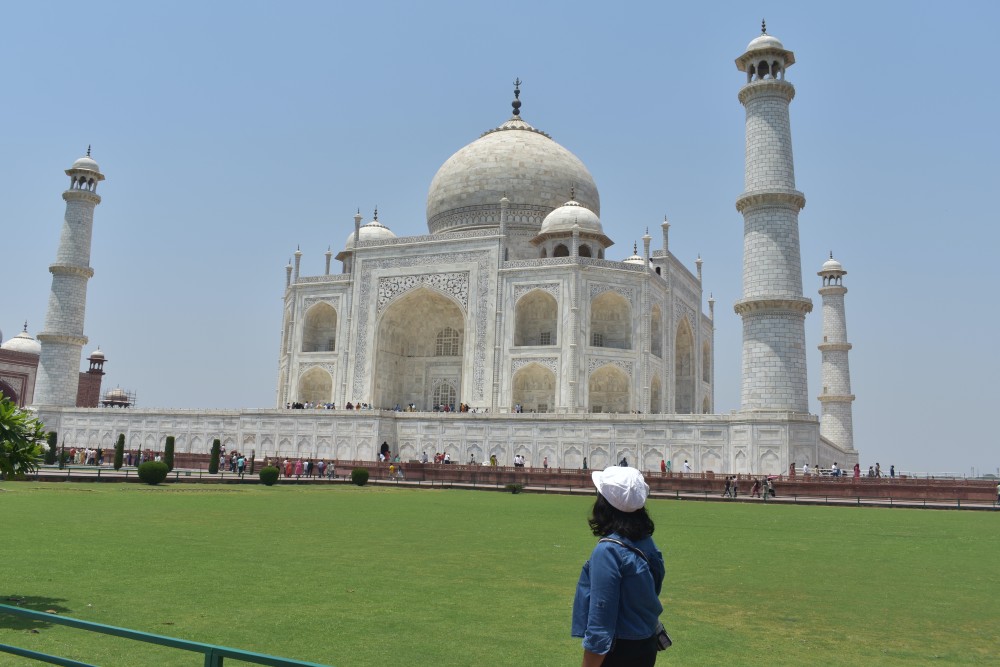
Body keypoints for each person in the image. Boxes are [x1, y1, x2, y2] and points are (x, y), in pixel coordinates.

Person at [572, 466, 664, 667]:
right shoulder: (645, 541)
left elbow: (601, 619)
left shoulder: (608, 551)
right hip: (646, 643)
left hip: (619, 650)